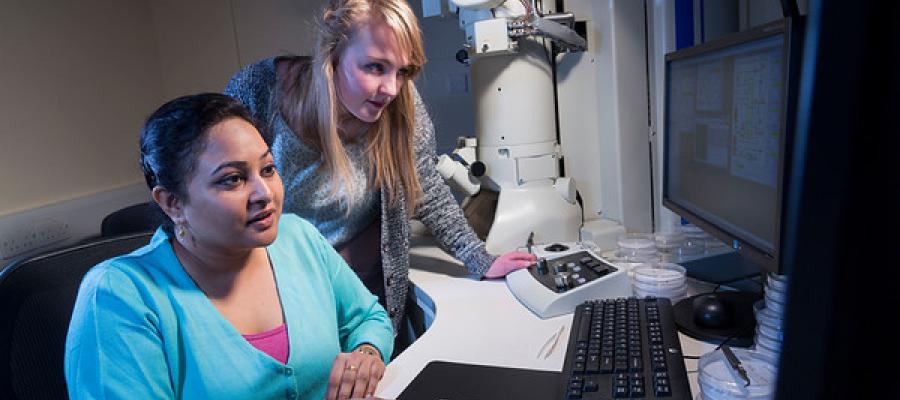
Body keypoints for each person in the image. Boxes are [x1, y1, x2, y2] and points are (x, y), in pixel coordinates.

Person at [224, 0, 536, 349]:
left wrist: (480, 259)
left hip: (362, 285)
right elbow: (222, 191)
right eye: (375, 67)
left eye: (403, 71)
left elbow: (426, 186)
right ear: (333, 53)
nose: (391, 88)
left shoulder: (400, 102)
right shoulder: (260, 90)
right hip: (279, 284)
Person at [64, 93, 393, 400]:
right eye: (233, 179)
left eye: (267, 169)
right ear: (173, 203)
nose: (264, 193)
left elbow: (368, 318)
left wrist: (365, 353)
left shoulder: (298, 238)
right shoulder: (119, 295)